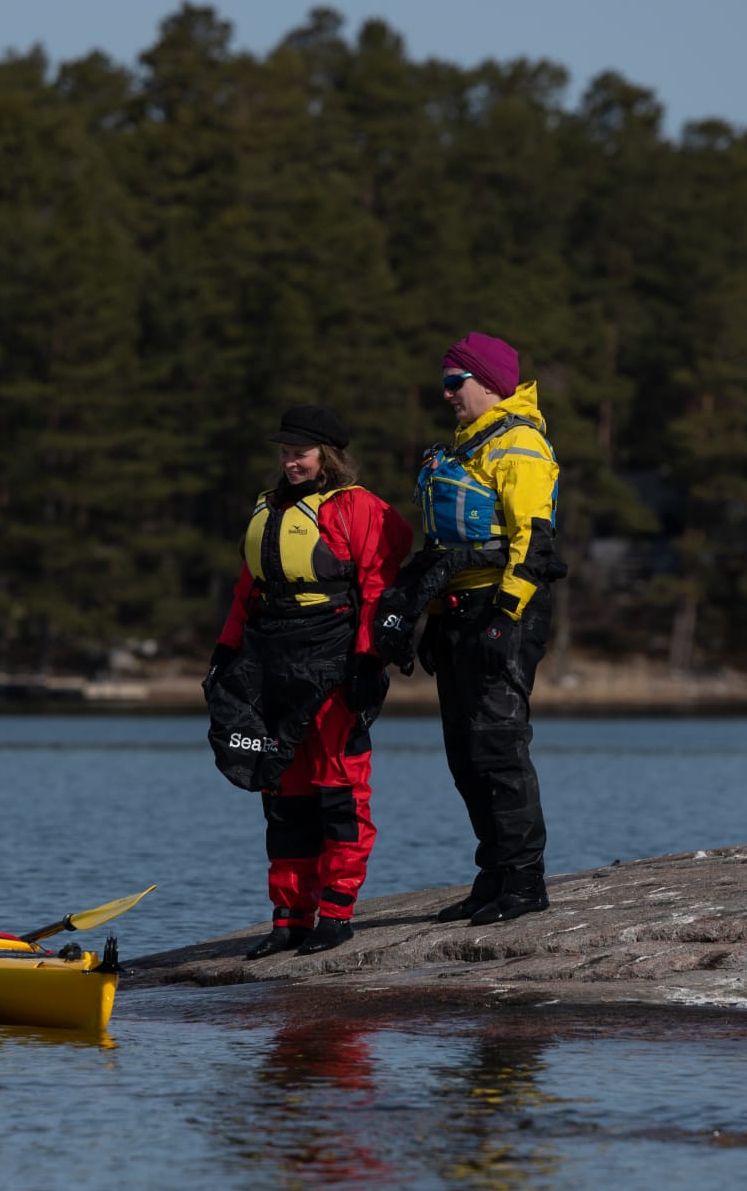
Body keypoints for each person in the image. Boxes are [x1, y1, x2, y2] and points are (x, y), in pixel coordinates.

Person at [204, 404, 413, 957]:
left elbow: (377, 588)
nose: (290, 461)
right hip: (271, 663)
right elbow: (246, 590)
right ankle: (289, 917)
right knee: (285, 796)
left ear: (328, 457)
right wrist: (226, 653)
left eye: (301, 452)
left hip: (333, 664)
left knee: (339, 792)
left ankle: (336, 913)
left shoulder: (357, 509)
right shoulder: (268, 508)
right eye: (285, 452)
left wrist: (369, 662)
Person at [390, 333, 564, 926]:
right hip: (460, 611)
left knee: (497, 748)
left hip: (503, 612)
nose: (446, 395)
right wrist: (434, 621)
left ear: (489, 383)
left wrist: (504, 619)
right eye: (443, 383)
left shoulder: (519, 445)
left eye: (453, 383)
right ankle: (492, 877)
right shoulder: (463, 449)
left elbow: (533, 542)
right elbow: (445, 551)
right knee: (464, 753)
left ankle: (524, 881)